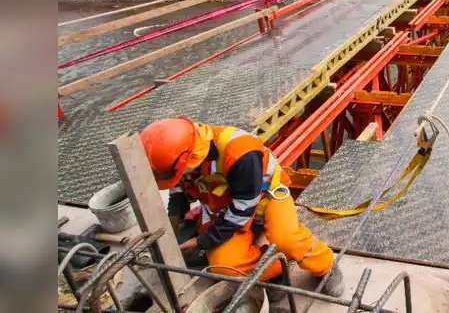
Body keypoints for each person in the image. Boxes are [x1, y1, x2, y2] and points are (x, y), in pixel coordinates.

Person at [139, 117, 344, 296]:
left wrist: (201, 242)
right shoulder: (184, 156)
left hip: (265, 199)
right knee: (223, 267)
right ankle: (277, 268)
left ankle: (325, 264)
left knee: (286, 239)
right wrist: (170, 226)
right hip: (224, 206)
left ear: (189, 159)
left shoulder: (241, 153)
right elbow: (177, 193)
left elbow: (240, 212)